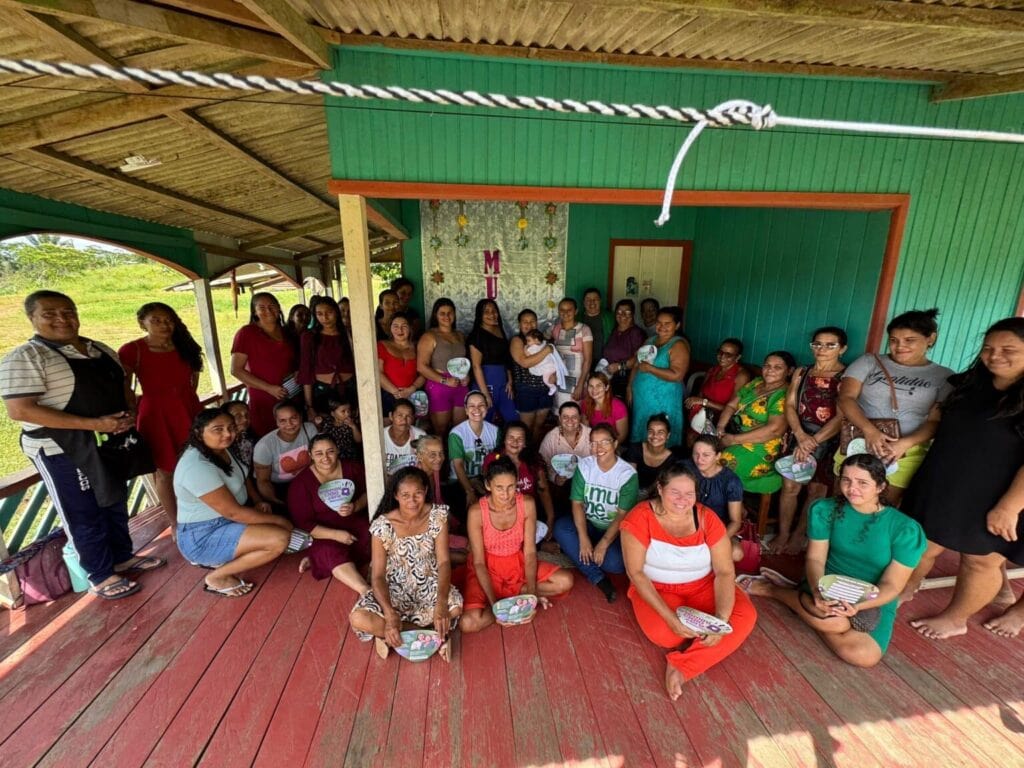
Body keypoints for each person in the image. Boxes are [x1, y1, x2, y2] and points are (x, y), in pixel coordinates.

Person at [1, 290, 164, 600]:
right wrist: (94, 424)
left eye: (68, 312)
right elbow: (21, 410)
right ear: (31, 318)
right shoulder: (26, 357)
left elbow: (123, 386)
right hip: (62, 449)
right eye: (49, 314)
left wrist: (129, 411)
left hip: (108, 441)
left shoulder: (98, 349)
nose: (62, 319)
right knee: (83, 511)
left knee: (114, 499)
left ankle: (122, 557)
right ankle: (100, 575)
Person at [899, 317, 1024, 639]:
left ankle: (956, 618)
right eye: (988, 348)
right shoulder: (968, 384)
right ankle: (905, 587)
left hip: (1000, 493)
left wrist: (1010, 506)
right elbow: (938, 424)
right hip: (947, 480)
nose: (995, 356)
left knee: (980, 559)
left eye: (1008, 350)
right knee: (922, 543)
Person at [743, 454, 926, 668]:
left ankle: (802, 602)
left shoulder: (905, 529)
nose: (852, 488)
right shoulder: (825, 509)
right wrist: (817, 590)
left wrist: (859, 605)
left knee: (864, 656)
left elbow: (892, 585)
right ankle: (775, 591)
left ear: (880, 487)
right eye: (846, 480)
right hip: (828, 583)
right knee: (835, 623)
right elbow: (815, 559)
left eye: (862, 483)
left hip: (873, 594)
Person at [621, 463, 757, 699]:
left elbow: (725, 571)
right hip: (657, 588)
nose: (682, 500)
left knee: (744, 616)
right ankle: (701, 640)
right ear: (660, 489)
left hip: (704, 585)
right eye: (675, 492)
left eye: (689, 493)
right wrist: (669, 618)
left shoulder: (707, 518)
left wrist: (721, 621)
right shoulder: (640, 517)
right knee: (665, 634)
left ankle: (683, 666)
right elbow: (636, 574)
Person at [836, 308, 954, 506]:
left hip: (904, 452)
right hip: (858, 442)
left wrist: (904, 444)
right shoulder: (869, 362)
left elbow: (935, 421)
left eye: (909, 340)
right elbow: (845, 398)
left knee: (883, 508)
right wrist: (869, 431)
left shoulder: (944, 376)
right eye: (893, 340)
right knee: (842, 502)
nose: (900, 346)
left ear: (931, 338)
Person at [174, 408, 291, 597]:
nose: (228, 434)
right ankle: (217, 577)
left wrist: (258, 501)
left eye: (231, 428)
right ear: (198, 432)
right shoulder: (196, 466)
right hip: (203, 534)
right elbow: (233, 512)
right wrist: (279, 521)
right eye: (218, 429)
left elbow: (242, 476)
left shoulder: (221, 448)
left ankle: (227, 555)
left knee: (280, 517)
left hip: (229, 520)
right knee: (279, 539)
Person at [349, 467, 463, 661]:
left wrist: (441, 603)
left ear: (425, 491)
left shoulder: (437, 516)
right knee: (358, 618)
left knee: (455, 608)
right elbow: (377, 576)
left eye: (418, 493)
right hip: (393, 589)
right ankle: (433, 636)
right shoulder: (382, 526)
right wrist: (389, 614)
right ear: (396, 495)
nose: (412, 501)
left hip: (429, 584)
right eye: (405, 495)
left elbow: (444, 562)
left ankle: (392, 636)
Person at [461, 458, 574, 633]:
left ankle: (519, 596)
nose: (506, 494)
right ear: (488, 485)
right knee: (468, 624)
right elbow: (479, 563)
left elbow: (529, 553)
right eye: (499, 488)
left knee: (565, 581)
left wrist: (532, 596)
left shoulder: (526, 504)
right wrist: (497, 609)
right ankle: (512, 601)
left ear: (517, 484)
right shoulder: (477, 512)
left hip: (517, 563)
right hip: (487, 569)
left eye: (511, 487)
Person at [118, 302, 203, 534]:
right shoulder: (132, 350)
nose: (164, 325)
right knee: (165, 470)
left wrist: (185, 398)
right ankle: (175, 522)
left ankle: (202, 509)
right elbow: (123, 386)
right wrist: (132, 410)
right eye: (156, 320)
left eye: (168, 320)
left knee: (198, 460)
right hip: (156, 414)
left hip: (188, 408)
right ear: (142, 323)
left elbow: (193, 378)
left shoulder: (183, 345)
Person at [774, 328, 848, 554]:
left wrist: (813, 441)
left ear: (842, 349)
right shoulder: (802, 372)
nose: (821, 349)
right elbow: (789, 405)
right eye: (817, 344)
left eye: (830, 345)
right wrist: (800, 435)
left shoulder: (846, 377)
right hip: (799, 433)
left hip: (828, 439)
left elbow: (842, 416)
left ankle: (800, 535)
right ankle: (783, 533)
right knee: (790, 485)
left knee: (817, 490)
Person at [553, 424, 640, 602]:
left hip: (613, 531)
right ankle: (598, 578)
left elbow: (622, 515)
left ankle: (577, 550)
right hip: (588, 524)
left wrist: (604, 544)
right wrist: (583, 537)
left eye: (604, 442)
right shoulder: (585, 466)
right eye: (593, 443)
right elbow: (577, 503)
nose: (598, 448)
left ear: (615, 444)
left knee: (617, 564)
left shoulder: (627, 474)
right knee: (561, 528)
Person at [286, 433, 370, 594]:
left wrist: (355, 506)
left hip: (355, 522)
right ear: (310, 455)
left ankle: (317, 559)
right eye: (319, 453)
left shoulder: (353, 468)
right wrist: (336, 535)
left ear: (337, 450)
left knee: (374, 536)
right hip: (323, 533)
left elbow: (371, 492)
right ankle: (365, 590)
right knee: (329, 551)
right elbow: (303, 523)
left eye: (330, 451)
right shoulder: (301, 483)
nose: (325, 457)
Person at [717, 351, 795, 494]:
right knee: (703, 451)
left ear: (789, 371)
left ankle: (729, 501)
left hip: (760, 446)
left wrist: (733, 440)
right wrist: (720, 427)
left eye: (778, 367)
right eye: (767, 366)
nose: (770, 370)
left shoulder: (784, 394)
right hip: (733, 434)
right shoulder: (756, 382)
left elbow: (775, 430)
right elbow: (731, 405)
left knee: (721, 462)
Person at [230, 292, 297, 436]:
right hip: (263, 398)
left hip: (290, 394)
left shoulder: (287, 332)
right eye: (262, 308)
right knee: (269, 437)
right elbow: (236, 370)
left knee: (292, 434)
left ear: (278, 308)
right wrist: (268, 388)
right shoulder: (247, 333)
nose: (268, 310)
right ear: (255, 312)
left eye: (272, 306)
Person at [482, 421, 556, 540]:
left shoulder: (533, 461)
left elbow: (543, 490)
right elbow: (488, 488)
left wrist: (550, 517)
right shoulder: (493, 459)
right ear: (504, 440)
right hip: (500, 513)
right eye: (511, 437)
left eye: (520, 439)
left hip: (528, 512)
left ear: (525, 443)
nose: (515, 442)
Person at [628, 306, 689, 447]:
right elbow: (637, 365)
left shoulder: (678, 345)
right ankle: (641, 456)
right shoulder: (650, 341)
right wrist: (629, 387)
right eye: (659, 323)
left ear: (677, 325)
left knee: (661, 430)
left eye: (667, 324)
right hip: (642, 399)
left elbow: (677, 375)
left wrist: (651, 369)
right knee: (643, 428)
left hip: (663, 399)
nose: (662, 327)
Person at [417, 298, 470, 435]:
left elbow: (464, 361)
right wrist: (445, 380)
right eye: (442, 313)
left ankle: (456, 450)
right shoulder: (429, 336)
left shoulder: (460, 335)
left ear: (455, 314)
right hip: (439, 385)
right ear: (436, 315)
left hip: (460, 385)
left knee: (460, 429)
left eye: (450, 312)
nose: (447, 316)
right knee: (440, 430)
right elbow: (421, 366)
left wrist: (467, 376)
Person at [684, 338, 750, 446]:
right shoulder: (713, 370)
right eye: (720, 352)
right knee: (690, 436)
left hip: (723, 421)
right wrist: (695, 404)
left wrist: (703, 402)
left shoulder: (741, 376)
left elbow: (733, 409)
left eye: (728, 354)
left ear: (737, 357)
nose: (722, 356)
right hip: (703, 415)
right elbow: (700, 394)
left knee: (702, 442)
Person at [299, 296, 355, 422]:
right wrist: (309, 406)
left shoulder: (348, 333)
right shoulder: (309, 336)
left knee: (351, 424)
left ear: (336, 312)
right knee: (327, 425)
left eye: (329, 312)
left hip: (349, 388)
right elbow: (306, 371)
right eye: (319, 314)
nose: (325, 318)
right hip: (323, 390)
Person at [253, 401, 316, 512]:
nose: (289, 424)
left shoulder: (310, 429)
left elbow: (316, 461)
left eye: (293, 418)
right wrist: (277, 503)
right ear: (276, 422)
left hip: (304, 479)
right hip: (278, 487)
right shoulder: (264, 446)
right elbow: (263, 481)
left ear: (301, 416)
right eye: (283, 420)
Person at [447, 391, 499, 518]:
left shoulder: (495, 431)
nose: (477, 409)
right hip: (460, 481)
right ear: (465, 410)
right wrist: (469, 490)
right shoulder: (456, 434)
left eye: (481, 405)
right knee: (468, 511)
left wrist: (488, 484)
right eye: (471, 406)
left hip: (484, 479)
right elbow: (458, 464)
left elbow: (497, 459)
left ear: (487, 407)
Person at [509, 308, 557, 444]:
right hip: (526, 390)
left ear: (537, 323)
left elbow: (554, 361)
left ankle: (533, 452)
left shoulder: (543, 340)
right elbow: (524, 362)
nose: (529, 324)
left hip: (545, 389)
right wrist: (547, 350)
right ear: (519, 324)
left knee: (539, 426)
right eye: (525, 321)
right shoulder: (517, 341)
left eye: (532, 321)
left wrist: (555, 375)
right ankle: (524, 453)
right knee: (525, 428)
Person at [467, 298, 518, 424]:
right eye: (486, 311)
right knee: (484, 420)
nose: (491, 314)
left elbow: (506, 357)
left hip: (503, 383)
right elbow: (476, 366)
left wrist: (510, 380)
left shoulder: (499, 329)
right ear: (480, 315)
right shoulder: (476, 335)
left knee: (512, 417)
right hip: (486, 384)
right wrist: (484, 394)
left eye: (494, 311)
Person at [538, 401, 592, 509]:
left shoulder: (590, 435)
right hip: (561, 489)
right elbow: (541, 463)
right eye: (565, 417)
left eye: (574, 417)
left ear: (580, 418)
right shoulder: (551, 437)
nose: (570, 421)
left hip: (588, 487)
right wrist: (554, 477)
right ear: (559, 418)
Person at [623, 413, 686, 494]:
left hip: (655, 495)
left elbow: (664, 485)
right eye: (651, 431)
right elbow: (630, 479)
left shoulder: (673, 459)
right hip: (631, 491)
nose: (655, 435)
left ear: (668, 435)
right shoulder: (635, 449)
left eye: (660, 432)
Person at [378, 311, 425, 417]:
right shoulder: (382, 345)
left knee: (412, 424)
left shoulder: (418, 347)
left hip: (414, 394)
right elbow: (378, 373)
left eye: (404, 326)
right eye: (395, 326)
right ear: (390, 328)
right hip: (389, 395)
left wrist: (412, 389)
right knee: (390, 423)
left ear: (410, 328)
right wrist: (396, 392)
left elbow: (424, 373)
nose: (400, 330)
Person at [550, 298, 593, 407]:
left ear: (576, 311)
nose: (565, 313)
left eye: (569, 309)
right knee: (560, 408)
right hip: (560, 376)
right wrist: (551, 372)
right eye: (562, 310)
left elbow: (588, 360)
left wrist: (581, 384)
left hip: (578, 377)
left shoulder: (584, 329)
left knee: (575, 409)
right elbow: (546, 348)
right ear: (558, 311)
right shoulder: (555, 329)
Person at [602, 299, 647, 401]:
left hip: (626, 380)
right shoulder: (614, 330)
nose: (622, 315)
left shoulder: (636, 333)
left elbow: (639, 358)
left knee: (621, 407)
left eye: (627, 312)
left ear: (633, 314)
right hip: (609, 378)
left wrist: (619, 366)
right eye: (619, 312)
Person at [581, 372, 628, 444]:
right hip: (593, 442)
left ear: (606, 387)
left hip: (613, 444)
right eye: (591, 386)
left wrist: (608, 446)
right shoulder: (585, 403)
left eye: (598, 386)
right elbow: (586, 430)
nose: (594, 389)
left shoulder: (618, 407)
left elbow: (622, 435)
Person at [384, 398, 426, 477]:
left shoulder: (420, 436)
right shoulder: (381, 436)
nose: (404, 420)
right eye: (400, 415)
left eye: (408, 416)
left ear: (413, 419)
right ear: (391, 416)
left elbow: (425, 466)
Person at [318, 394, 362, 461]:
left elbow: (359, 440)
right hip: (334, 458)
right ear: (333, 414)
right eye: (343, 411)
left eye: (349, 410)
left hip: (350, 457)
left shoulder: (351, 423)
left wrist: (353, 426)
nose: (347, 413)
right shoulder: (327, 423)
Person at [523, 328, 565, 395]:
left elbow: (528, 355)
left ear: (536, 340)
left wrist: (525, 349)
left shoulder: (533, 348)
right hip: (552, 365)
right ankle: (556, 381)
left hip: (546, 367)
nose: (527, 343)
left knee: (545, 379)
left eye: (528, 340)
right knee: (551, 377)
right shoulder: (543, 344)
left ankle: (552, 387)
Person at [581, 287, 615, 362]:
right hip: (582, 361)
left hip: (604, 362)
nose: (592, 302)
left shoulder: (610, 318)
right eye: (588, 300)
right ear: (584, 302)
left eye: (595, 299)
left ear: (600, 301)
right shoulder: (577, 319)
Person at [225, 400, 257, 476]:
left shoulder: (250, 437)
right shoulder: (223, 445)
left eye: (247, 415)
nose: (245, 419)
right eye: (238, 416)